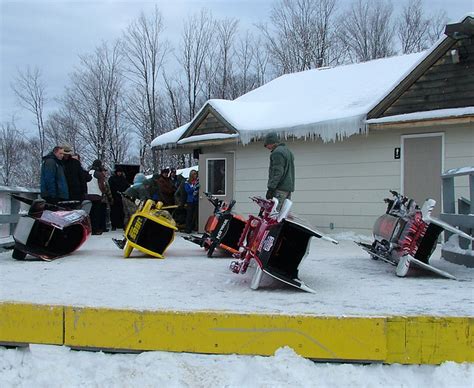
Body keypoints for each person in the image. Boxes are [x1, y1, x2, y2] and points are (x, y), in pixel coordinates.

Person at [263, 132, 295, 211]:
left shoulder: (277, 153)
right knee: (283, 214)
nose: (267, 147)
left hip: (279, 189)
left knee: (274, 214)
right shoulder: (288, 151)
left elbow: (277, 173)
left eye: (267, 144)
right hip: (287, 189)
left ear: (271, 142)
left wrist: (271, 188)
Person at [86, 159, 107, 235]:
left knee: (90, 213)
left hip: (87, 195)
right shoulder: (99, 174)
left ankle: (90, 229)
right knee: (96, 214)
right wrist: (104, 191)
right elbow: (101, 185)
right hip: (97, 195)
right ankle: (96, 229)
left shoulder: (88, 172)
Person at [108, 166, 130, 230]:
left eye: (120, 172)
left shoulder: (123, 179)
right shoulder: (112, 179)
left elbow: (127, 186)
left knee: (121, 212)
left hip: (121, 197)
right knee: (114, 212)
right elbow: (110, 188)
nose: (119, 173)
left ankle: (120, 224)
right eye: (118, 172)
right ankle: (114, 225)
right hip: (114, 197)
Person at [184, 169, 199, 234]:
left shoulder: (198, 181)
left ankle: (193, 228)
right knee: (189, 215)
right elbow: (188, 191)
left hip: (196, 200)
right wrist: (194, 188)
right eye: (194, 174)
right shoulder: (187, 182)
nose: (195, 175)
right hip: (190, 201)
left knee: (194, 215)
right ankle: (187, 229)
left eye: (196, 174)